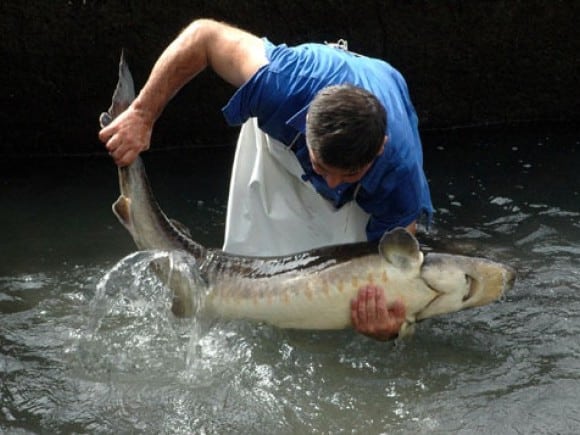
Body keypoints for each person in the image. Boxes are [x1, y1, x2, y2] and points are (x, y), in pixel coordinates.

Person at [99, 19, 433, 341]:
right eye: (320, 168)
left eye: (348, 176)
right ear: (304, 127)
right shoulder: (281, 83)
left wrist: (389, 328)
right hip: (295, 117)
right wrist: (142, 115)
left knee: (364, 275)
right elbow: (205, 36)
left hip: (377, 119)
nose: (331, 185)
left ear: (381, 150)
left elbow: (392, 265)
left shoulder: (400, 174)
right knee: (245, 290)